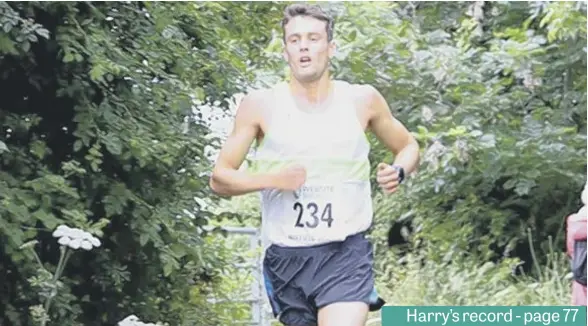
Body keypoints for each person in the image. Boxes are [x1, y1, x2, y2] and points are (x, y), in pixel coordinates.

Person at [209, 3, 420, 326]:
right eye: (294, 40)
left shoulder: (362, 100)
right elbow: (220, 178)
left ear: (330, 47)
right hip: (286, 260)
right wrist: (274, 179)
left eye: (312, 38)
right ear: (285, 51)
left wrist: (398, 171)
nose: (304, 46)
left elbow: (407, 146)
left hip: (345, 254)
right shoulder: (260, 106)